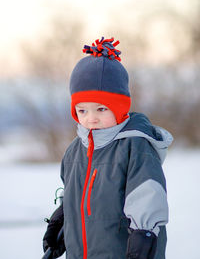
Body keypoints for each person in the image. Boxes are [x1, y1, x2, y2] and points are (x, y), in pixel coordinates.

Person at [43, 37, 173, 259]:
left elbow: (148, 198)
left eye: (101, 109)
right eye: (82, 111)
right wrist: (63, 217)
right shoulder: (75, 151)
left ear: (120, 107)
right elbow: (76, 193)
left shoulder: (135, 146)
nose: (91, 119)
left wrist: (144, 236)